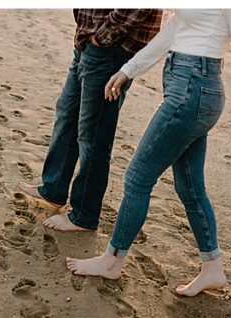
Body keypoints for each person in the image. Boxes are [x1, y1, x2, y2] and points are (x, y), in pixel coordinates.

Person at [66, 9, 231, 297]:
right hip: (185, 86)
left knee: (138, 178)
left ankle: (112, 261)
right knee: (189, 187)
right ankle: (213, 267)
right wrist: (128, 69)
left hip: (193, 89)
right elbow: (174, 29)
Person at [18, 9, 162, 232]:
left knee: (93, 135)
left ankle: (84, 215)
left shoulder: (106, 42)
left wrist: (102, 38)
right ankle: (53, 189)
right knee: (67, 115)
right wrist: (89, 38)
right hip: (88, 42)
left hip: (110, 47)